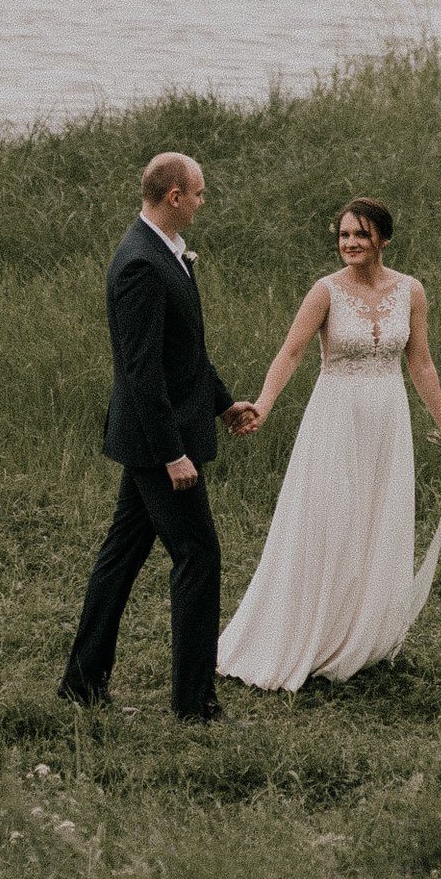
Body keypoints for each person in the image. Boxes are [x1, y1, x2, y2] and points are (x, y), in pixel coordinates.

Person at [217, 199, 441, 694]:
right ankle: (305, 634)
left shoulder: (411, 291)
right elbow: (290, 351)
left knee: (377, 520)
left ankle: (360, 636)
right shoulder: (325, 291)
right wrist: (264, 406)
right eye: (343, 235)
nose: (350, 242)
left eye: (361, 234)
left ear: (384, 239)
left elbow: (421, 364)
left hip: (388, 420)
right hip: (336, 417)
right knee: (329, 520)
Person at [61, 150, 258, 723]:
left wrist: (223, 405)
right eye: (198, 193)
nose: (202, 201)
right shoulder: (141, 264)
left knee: (120, 558)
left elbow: (184, 354)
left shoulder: (166, 252)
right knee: (199, 558)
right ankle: (194, 708)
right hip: (156, 444)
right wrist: (173, 452)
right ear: (174, 197)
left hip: (155, 436)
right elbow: (140, 371)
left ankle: (80, 685)